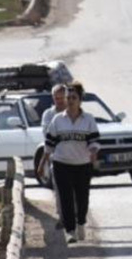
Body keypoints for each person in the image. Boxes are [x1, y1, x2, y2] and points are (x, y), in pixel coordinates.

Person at [43, 81, 100, 244]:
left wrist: (94, 153)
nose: (70, 100)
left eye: (74, 97)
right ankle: (70, 231)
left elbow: (94, 140)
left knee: (82, 198)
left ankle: (81, 222)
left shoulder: (88, 119)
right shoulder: (57, 120)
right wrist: (42, 165)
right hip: (62, 164)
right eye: (68, 97)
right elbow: (49, 144)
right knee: (66, 198)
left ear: (80, 99)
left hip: (82, 164)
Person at [38, 85, 68, 221]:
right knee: (60, 192)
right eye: (56, 98)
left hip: (76, 158)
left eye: (62, 98)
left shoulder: (74, 112)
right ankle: (63, 219)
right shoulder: (48, 114)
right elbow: (48, 135)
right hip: (56, 158)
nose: (59, 101)